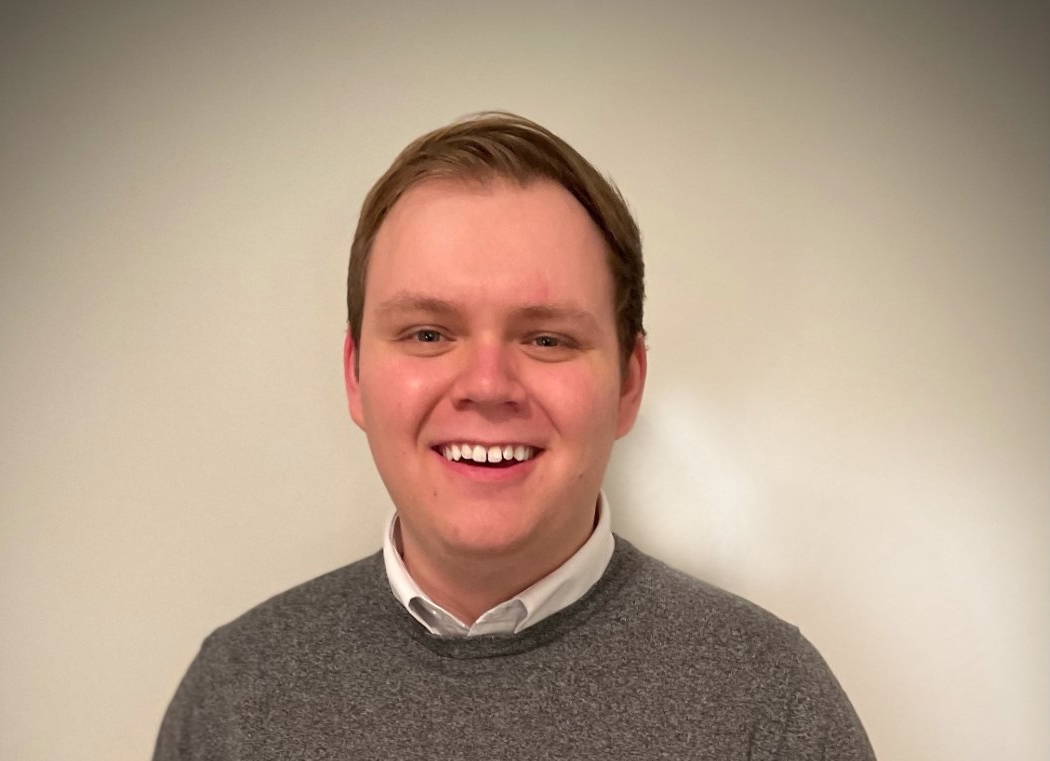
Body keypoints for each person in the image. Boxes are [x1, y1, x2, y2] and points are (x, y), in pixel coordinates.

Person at [154, 112, 876, 760]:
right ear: (355, 375)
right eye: (428, 333)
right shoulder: (234, 697)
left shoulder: (772, 708)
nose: (488, 384)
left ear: (628, 383)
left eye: (547, 338)